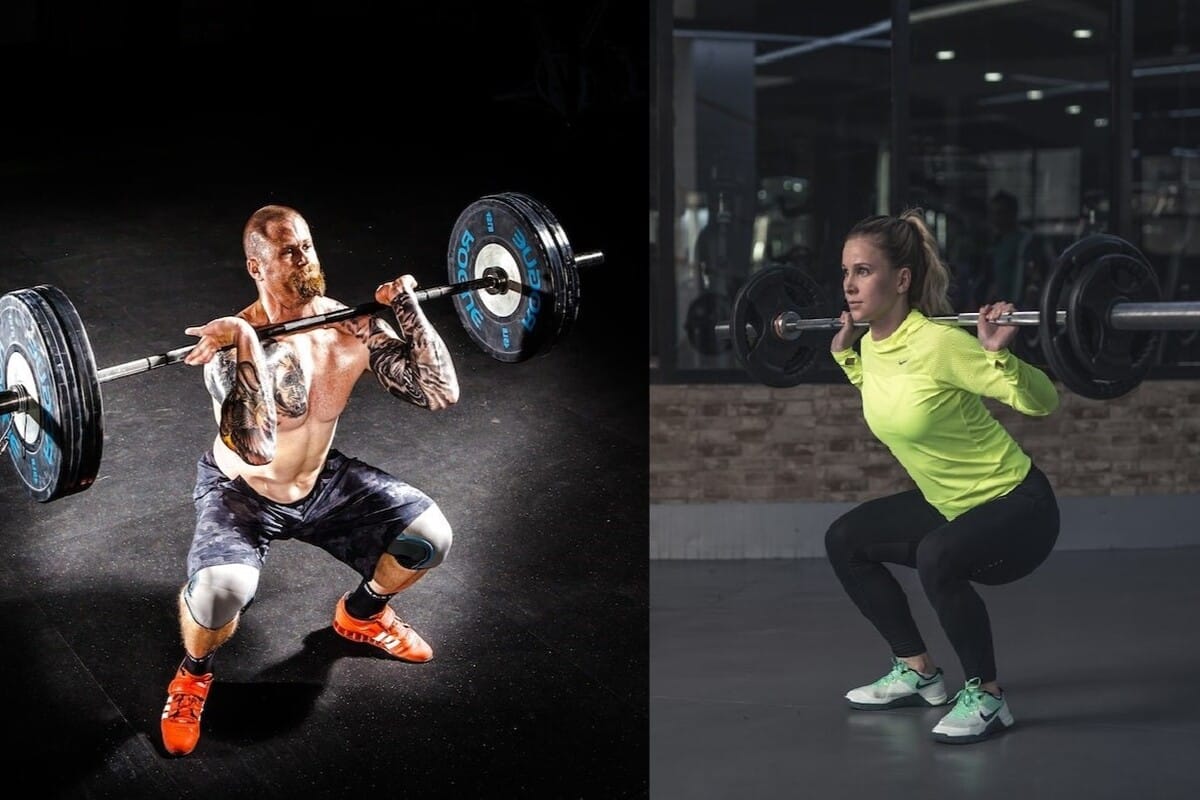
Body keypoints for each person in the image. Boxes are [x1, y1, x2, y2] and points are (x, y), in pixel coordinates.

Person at [159, 204, 460, 757]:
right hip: (244, 493)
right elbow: (255, 445)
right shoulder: (226, 348)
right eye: (287, 251)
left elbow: (438, 392)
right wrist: (248, 341)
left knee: (429, 538)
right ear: (257, 267)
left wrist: (409, 310)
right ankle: (194, 672)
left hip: (321, 480)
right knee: (220, 594)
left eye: (308, 245)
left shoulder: (350, 327)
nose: (304, 259)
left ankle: (361, 615)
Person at [824, 209, 1060, 744]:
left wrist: (1001, 357)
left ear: (902, 280)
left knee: (936, 553)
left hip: (1018, 507)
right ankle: (918, 671)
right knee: (845, 539)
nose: (849, 285)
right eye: (845, 272)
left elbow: (1044, 403)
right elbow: (894, 402)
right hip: (950, 503)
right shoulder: (872, 346)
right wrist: (847, 361)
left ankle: (988, 696)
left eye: (863, 271)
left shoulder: (940, 344)